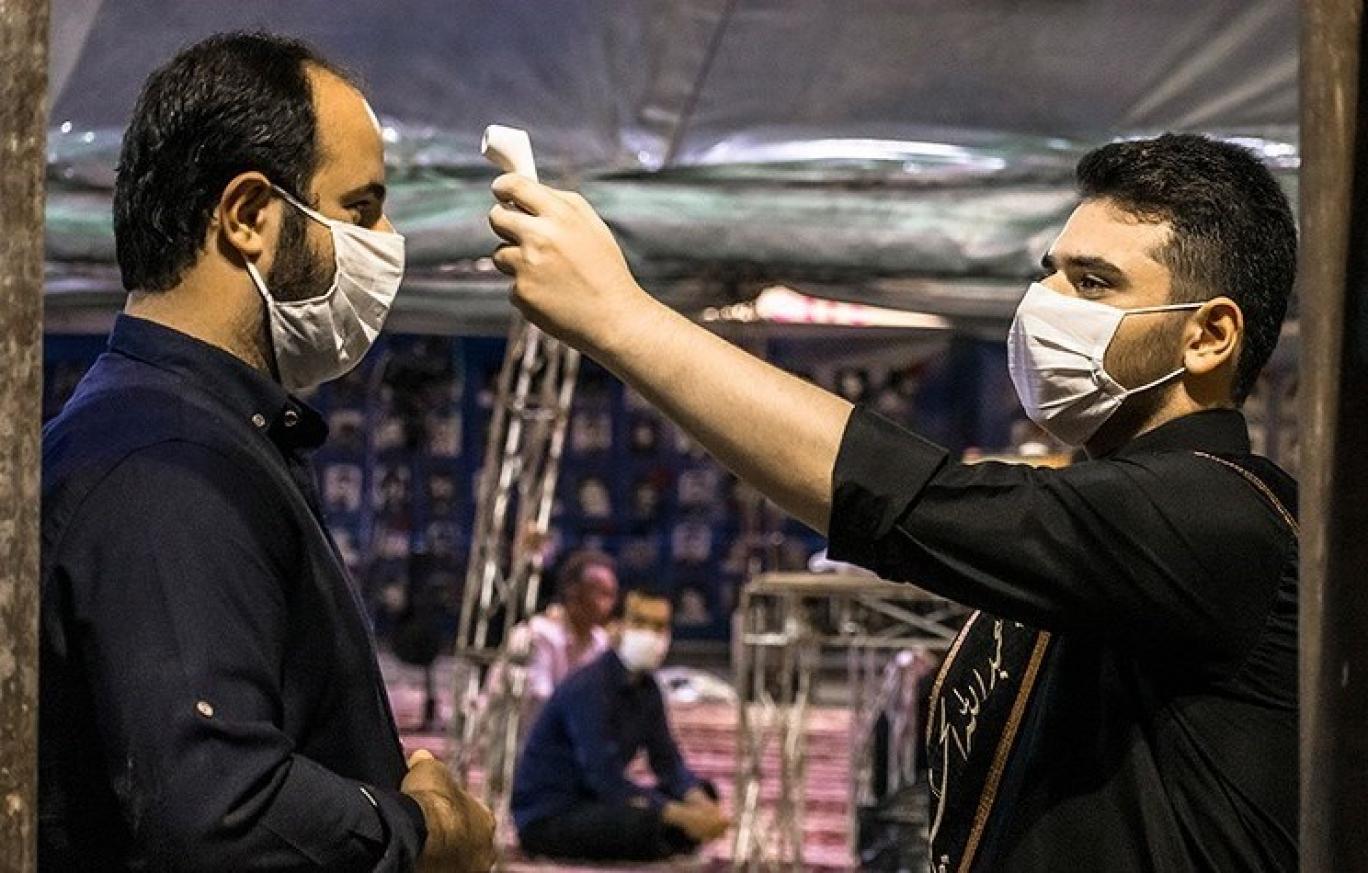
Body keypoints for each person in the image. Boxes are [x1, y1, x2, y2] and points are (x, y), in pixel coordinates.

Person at [487, 133, 1299, 871]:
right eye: (1048, 273)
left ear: (1208, 336)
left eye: (1091, 283)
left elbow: (909, 497)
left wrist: (622, 318)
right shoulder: (1107, 533)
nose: (1046, 302)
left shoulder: (1222, 517)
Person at [40, 33, 494, 872]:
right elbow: (222, 814)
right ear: (249, 216)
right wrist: (425, 833)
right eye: (361, 209)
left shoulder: (194, 432)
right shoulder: (166, 466)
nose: (386, 239)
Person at [511, 589, 730, 861]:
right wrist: (680, 816)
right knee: (642, 822)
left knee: (701, 792)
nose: (650, 635)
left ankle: (665, 837)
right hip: (552, 812)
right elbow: (604, 777)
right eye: (640, 623)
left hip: (595, 800)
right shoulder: (589, 687)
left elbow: (667, 762)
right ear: (617, 628)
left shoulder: (648, 690)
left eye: (659, 627)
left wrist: (700, 803)